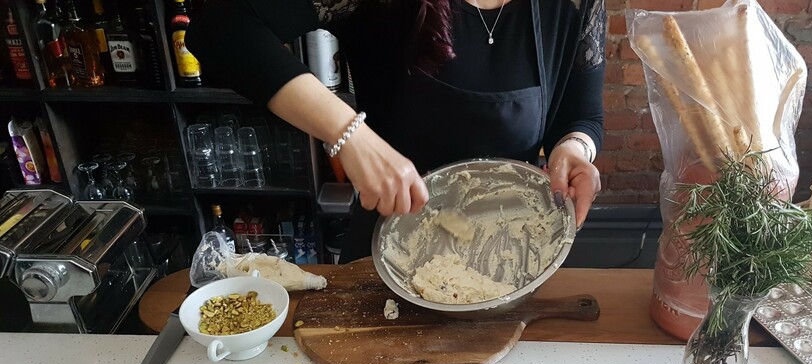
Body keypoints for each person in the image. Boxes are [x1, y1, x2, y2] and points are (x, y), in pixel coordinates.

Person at [188, 0, 606, 262]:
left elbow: (581, 115)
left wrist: (573, 148)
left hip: (512, 253)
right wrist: (347, 131)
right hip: (385, 242)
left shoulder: (576, 5)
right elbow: (220, 27)